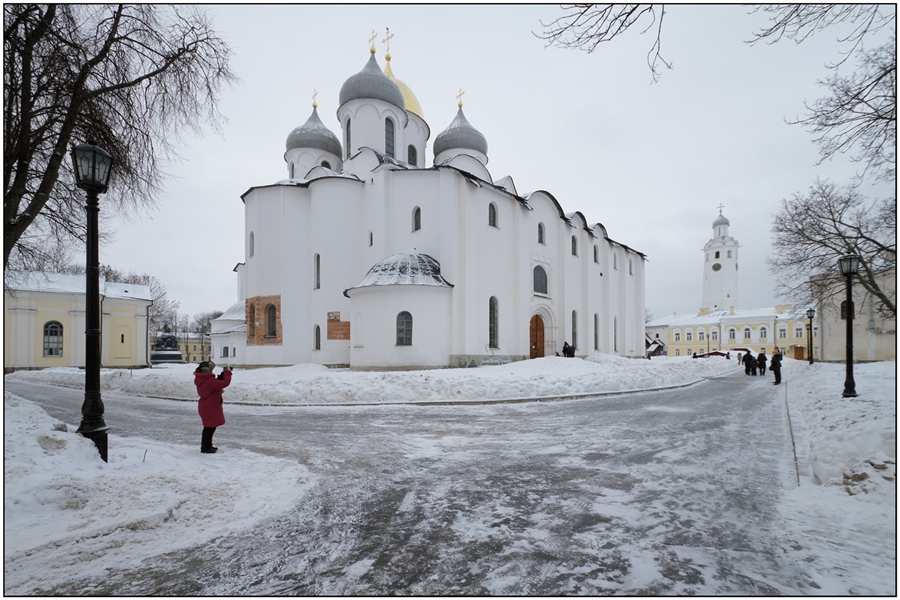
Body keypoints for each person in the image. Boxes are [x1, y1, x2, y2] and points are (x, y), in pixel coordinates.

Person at [193, 360, 232, 453]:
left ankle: (208, 446)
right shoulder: (210, 381)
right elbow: (225, 383)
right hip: (210, 408)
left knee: (209, 428)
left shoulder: (202, 379)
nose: (212, 372)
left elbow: (213, 386)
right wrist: (227, 373)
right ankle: (205, 448)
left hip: (207, 406)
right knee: (209, 429)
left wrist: (219, 379)